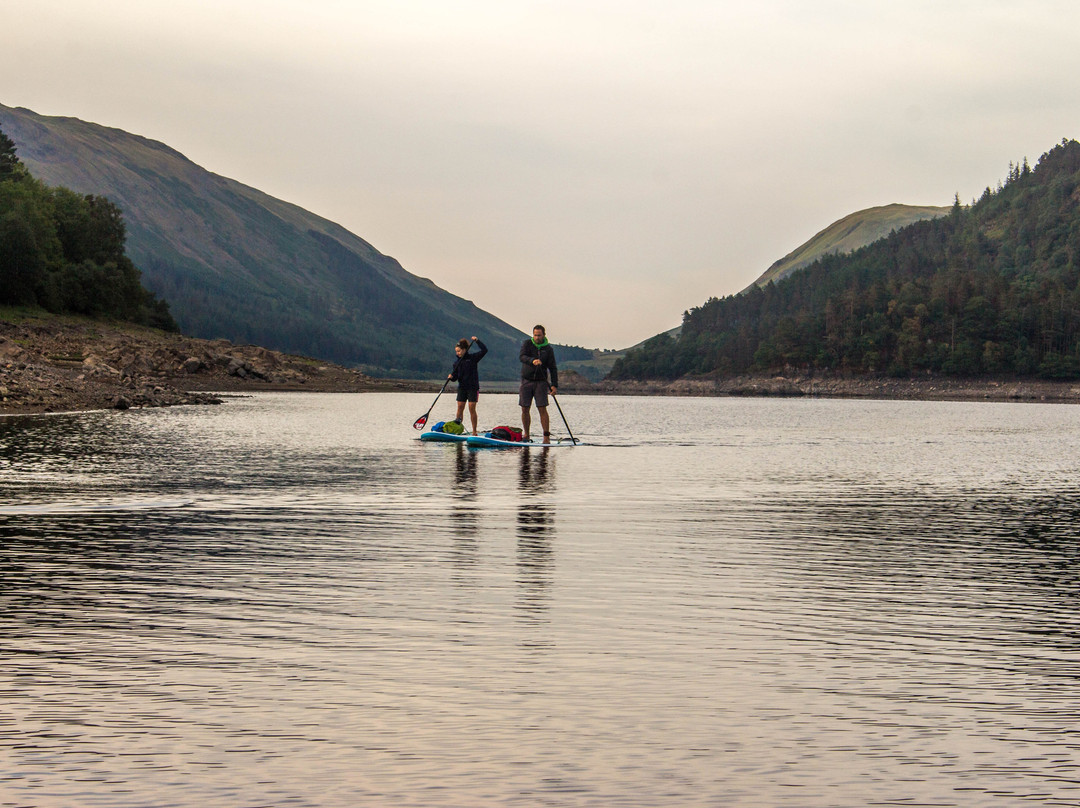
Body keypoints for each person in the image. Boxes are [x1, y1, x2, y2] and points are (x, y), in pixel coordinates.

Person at [519, 324, 557, 443]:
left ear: (544, 335)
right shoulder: (527, 344)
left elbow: (553, 368)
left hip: (541, 382)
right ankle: (526, 434)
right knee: (525, 408)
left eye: (539, 335)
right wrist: (532, 360)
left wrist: (554, 385)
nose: (536, 337)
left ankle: (546, 436)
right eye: (535, 335)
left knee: (542, 408)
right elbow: (522, 357)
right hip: (526, 380)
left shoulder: (548, 349)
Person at [448, 336, 487, 435]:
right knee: (460, 407)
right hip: (462, 387)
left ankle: (474, 431)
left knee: (471, 407)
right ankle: (457, 429)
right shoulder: (456, 363)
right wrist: (451, 377)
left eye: (459, 351)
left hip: (473, 387)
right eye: (456, 351)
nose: (457, 353)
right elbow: (455, 377)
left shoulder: (473, 358)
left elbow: (484, 350)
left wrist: (477, 341)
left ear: (465, 350)